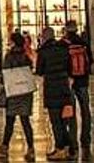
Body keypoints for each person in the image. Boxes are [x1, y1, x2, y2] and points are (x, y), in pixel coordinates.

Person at [0, 31, 36, 161]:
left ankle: (5, 145)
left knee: (10, 122)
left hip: (13, 91)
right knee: (25, 121)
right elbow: (30, 68)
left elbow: (6, 73)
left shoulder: (9, 56)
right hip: (25, 91)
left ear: (14, 42)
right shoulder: (26, 55)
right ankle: (31, 147)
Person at [34, 26, 76, 160]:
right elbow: (70, 68)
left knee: (55, 121)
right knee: (64, 120)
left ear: (44, 37)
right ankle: (70, 147)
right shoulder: (64, 48)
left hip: (52, 89)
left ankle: (60, 149)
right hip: (64, 88)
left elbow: (39, 70)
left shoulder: (43, 51)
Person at [63, 21, 93, 149]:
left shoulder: (64, 44)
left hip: (70, 81)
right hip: (83, 81)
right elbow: (90, 61)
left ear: (66, 30)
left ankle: (72, 138)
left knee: (71, 110)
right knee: (85, 109)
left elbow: (62, 63)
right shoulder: (84, 43)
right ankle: (86, 137)